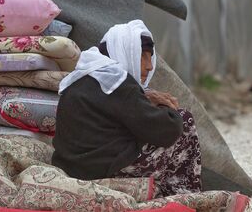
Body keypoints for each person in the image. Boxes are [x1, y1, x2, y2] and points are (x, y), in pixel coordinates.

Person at [52, 20, 202, 197]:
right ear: (123, 52)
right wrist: (165, 106)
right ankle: (186, 195)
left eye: (150, 56)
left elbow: (122, 110)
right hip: (103, 170)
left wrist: (144, 97)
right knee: (184, 120)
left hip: (73, 166)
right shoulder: (118, 82)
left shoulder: (83, 77)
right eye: (141, 56)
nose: (149, 65)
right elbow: (167, 129)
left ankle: (168, 193)